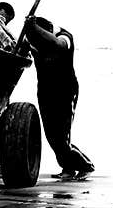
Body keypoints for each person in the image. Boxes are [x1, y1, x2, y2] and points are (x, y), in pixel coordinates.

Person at [24, 15, 95, 180]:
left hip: (65, 90)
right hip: (45, 91)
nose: (37, 43)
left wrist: (33, 28)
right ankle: (68, 167)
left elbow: (59, 46)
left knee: (62, 135)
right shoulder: (35, 42)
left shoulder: (64, 36)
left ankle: (85, 165)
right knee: (51, 135)